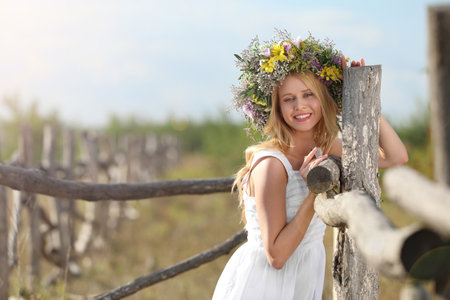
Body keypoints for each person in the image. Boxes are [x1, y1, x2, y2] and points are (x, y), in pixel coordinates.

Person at [212, 31, 408, 300]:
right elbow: (277, 256)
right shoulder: (271, 165)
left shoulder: (325, 146)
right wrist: (313, 190)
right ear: (277, 108)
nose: (300, 106)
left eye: (308, 95)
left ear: (324, 99)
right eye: (288, 99)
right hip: (265, 285)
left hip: (302, 277)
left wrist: (365, 99)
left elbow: (395, 156)